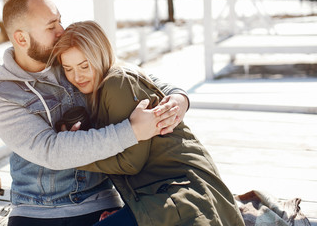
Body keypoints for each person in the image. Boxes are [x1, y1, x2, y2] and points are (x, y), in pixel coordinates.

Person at [0, 0, 190, 226]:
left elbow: (129, 75)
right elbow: (50, 150)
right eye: (51, 27)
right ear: (21, 39)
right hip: (37, 211)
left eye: (59, 20)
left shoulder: (70, 57)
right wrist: (133, 131)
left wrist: (179, 98)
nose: (61, 30)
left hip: (100, 200)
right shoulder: (1, 97)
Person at [50, 20, 245, 226]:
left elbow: (130, 163)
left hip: (183, 191)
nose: (77, 76)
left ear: (100, 56)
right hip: (158, 192)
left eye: (84, 65)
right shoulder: (101, 87)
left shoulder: (117, 83)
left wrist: (72, 152)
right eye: (68, 68)